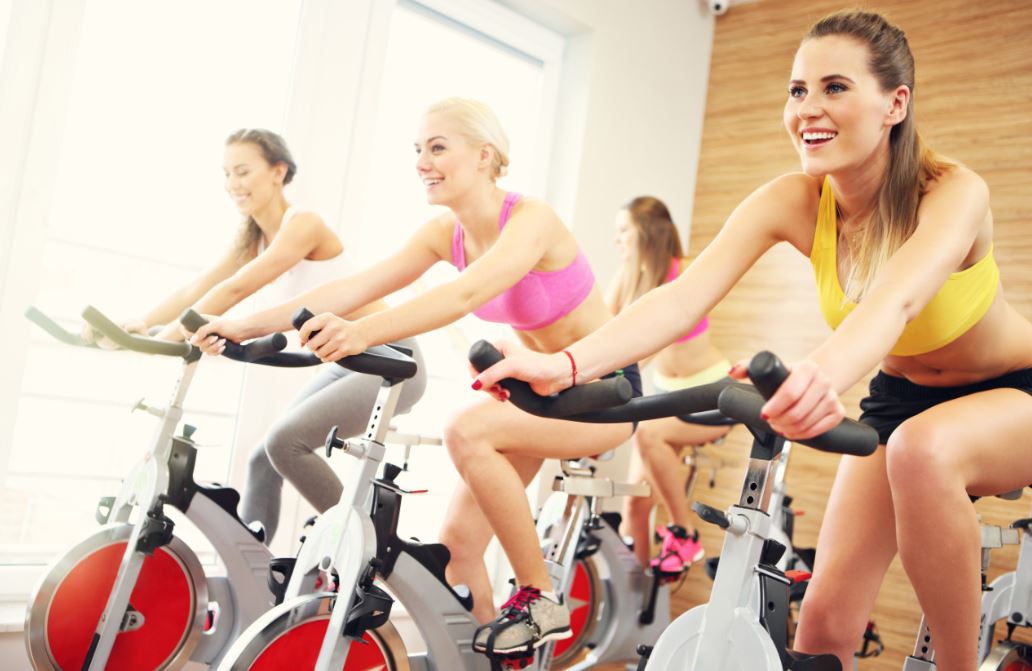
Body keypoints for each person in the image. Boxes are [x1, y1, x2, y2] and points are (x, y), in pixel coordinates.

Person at [472, 12, 1032, 670]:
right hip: (901, 399)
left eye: (834, 87)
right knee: (823, 624)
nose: (808, 109)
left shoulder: (954, 192)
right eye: (798, 90)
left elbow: (898, 299)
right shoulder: (795, 201)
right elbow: (681, 297)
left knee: (921, 449)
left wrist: (816, 376)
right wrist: (565, 364)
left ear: (895, 104)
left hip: (1013, 392)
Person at [190, 98, 642, 657]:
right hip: (538, 396)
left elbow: (465, 294)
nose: (422, 162)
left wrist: (361, 333)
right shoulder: (444, 234)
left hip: (603, 394)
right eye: (418, 149)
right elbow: (355, 288)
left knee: (466, 430)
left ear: (485, 156)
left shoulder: (532, 220)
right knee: (457, 556)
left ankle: (541, 598)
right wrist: (242, 323)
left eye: (438, 148)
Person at [85, 128, 427, 543]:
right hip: (346, 361)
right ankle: (251, 571)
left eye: (243, 171)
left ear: (278, 172)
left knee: (285, 444)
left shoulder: (304, 224)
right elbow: (198, 288)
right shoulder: (254, 239)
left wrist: (167, 341)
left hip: (391, 359)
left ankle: (365, 549)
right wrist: (141, 326)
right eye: (227, 173)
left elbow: (235, 290)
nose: (233, 183)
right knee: (263, 458)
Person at [608, 196, 731, 574]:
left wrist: (610, 382)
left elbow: (645, 347)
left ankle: (685, 532)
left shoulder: (682, 278)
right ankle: (639, 596)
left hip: (708, 395)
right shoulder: (632, 277)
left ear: (647, 233)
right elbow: (603, 330)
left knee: (647, 433)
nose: (617, 240)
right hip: (667, 395)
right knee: (635, 504)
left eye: (624, 230)